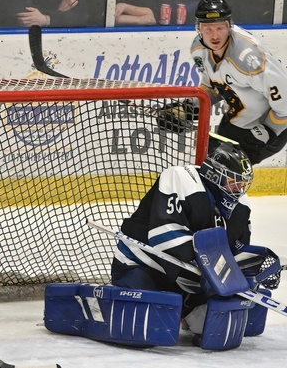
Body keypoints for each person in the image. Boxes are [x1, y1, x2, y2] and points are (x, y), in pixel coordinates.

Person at [111, 141, 273, 342]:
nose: (239, 189)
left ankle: (187, 307)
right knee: (151, 329)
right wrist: (212, 266)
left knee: (217, 327)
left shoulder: (241, 207)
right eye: (233, 182)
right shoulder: (181, 179)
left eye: (242, 183)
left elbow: (236, 251)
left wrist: (251, 269)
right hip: (144, 266)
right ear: (214, 175)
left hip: (190, 282)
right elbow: (163, 238)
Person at [186, 0, 287, 164]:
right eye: (208, 29)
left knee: (227, 174)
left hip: (273, 125)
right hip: (237, 118)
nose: (214, 35)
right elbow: (214, 87)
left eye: (220, 28)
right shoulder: (198, 50)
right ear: (198, 29)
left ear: (230, 26)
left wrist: (266, 131)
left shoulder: (249, 59)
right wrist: (190, 107)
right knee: (211, 168)